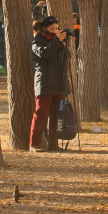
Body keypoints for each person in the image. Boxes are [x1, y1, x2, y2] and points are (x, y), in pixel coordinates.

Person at [29, 15, 69, 153]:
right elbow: (44, 54)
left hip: (58, 83)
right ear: (44, 28)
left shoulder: (57, 41)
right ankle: (34, 143)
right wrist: (57, 40)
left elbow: (65, 56)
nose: (55, 31)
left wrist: (62, 42)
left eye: (56, 29)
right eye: (51, 29)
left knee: (56, 115)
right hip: (44, 82)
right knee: (40, 114)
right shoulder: (37, 42)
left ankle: (53, 143)